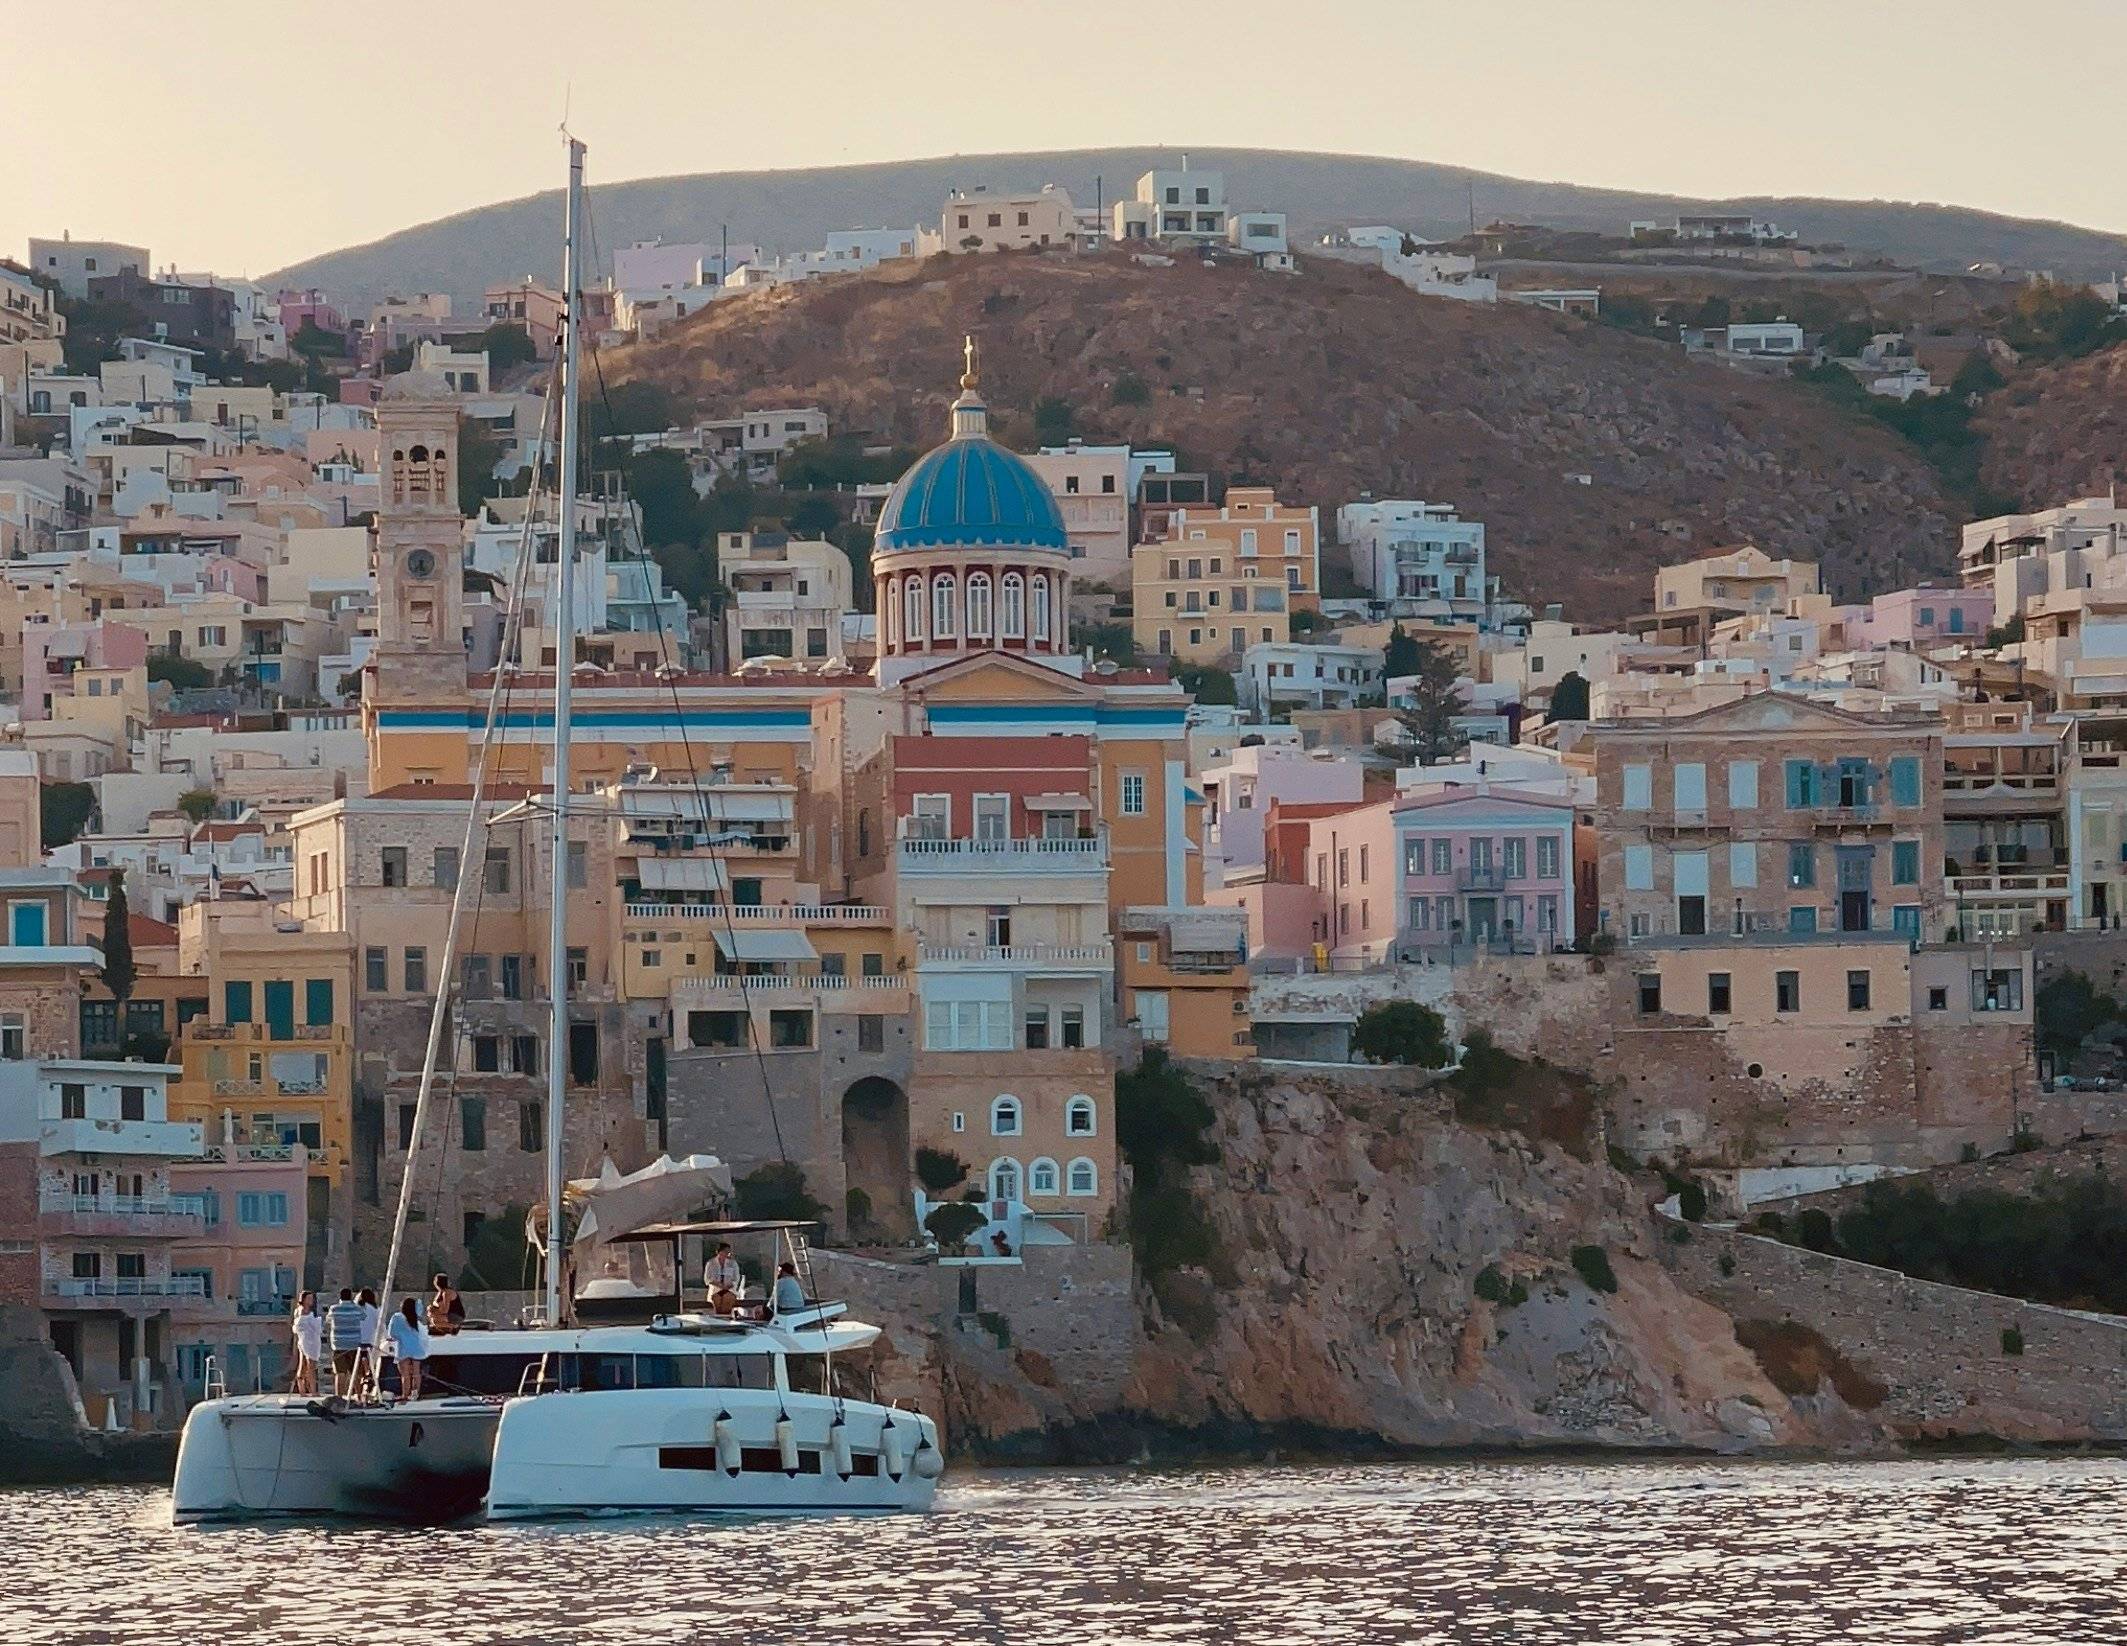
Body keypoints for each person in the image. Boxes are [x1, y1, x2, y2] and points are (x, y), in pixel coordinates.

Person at [325, 1287, 366, 1397]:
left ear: (340, 1297)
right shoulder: (357, 1309)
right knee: (356, 1372)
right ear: (351, 1296)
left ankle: (339, 1397)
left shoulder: (334, 1309)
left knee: (340, 1373)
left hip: (338, 1345)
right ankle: (358, 1396)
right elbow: (363, 1317)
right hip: (354, 1344)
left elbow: (328, 1319)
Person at [387, 1298, 429, 1401]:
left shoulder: (397, 1317)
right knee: (416, 1372)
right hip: (417, 1348)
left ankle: (405, 1395)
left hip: (403, 1348)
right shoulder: (415, 1318)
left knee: (405, 1374)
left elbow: (392, 1334)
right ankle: (415, 1394)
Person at [291, 1291, 322, 1395]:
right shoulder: (302, 1311)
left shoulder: (304, 1311)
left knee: (303, 1364)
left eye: (312, 1298)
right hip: (307, 1341)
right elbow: (302, 1325)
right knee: (310, 1365)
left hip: (308, 1340)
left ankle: (302, 1390)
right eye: (309, 1298)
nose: (311, 1301)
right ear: (303, 1300)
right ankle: (313, 1391)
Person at [355, 1287, 380, 1397]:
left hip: (357, 1342)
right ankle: (367, 1392)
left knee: (357, 1370)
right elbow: (379, 1326)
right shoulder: (375, 1310)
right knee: (369, 1369)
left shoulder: (356, 1309)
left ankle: (358, 1393)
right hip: (371, 1342)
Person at [705, 1243, 742, 1314]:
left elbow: (736, 1278)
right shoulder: (710, 1263)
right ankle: (718, 1317)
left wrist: (728, 1286)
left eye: (728, 1252)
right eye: (725, 1251)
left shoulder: (733, 1263)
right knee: (716, 1299)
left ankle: (726, 1317)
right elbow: (707, 1279)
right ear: (719, 1252)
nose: (727, 1254)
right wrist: (719, 1285)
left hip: (729, 1289)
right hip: (715, 1290)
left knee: (727, 1298)